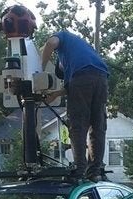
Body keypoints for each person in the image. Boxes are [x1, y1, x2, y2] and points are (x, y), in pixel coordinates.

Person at [41, 30, 109, 182]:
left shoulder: (62, 37)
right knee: (97, 126)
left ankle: (78, 170)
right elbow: (79, 85)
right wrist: (57, 94)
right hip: (102, 79)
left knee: (77, 125)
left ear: (61, 64)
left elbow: (50, 43)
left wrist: (40, 69)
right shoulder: (81, 49)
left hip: (83, 79)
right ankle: (94, 172)